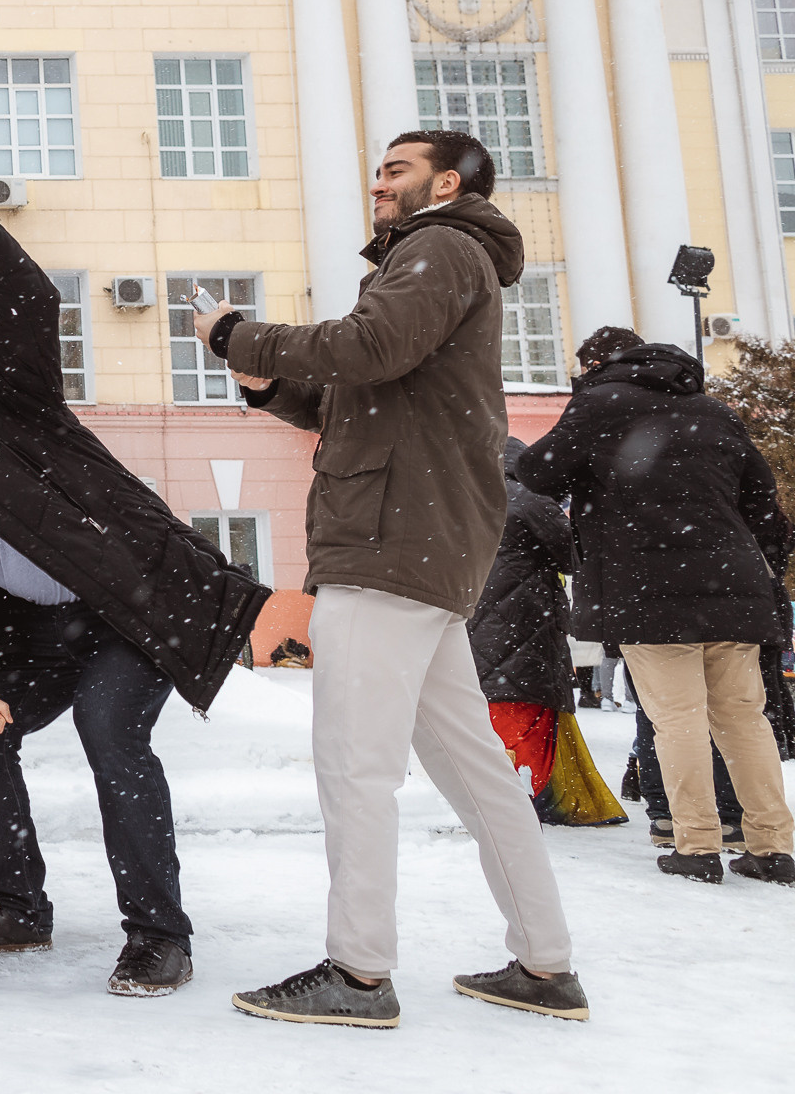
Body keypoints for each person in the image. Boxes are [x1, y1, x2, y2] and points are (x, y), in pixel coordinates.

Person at [0, 129, 267, 998]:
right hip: (41, 633)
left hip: (126, 605)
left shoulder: (3, 407)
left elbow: (30, 306)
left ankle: (158, 934)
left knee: (111, 731)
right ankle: (14, 906)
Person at [204, 130, 587, 1026]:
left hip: (390, 540)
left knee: (355, 764)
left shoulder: (441, 245)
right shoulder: (434, 260)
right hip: (417, 542)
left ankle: (359, 972)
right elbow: (357, 394)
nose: (378, 183)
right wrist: (267, 386)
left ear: (446, 183)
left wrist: (235, 332)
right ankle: (546, 964)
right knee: (475, 774)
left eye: (396, 170)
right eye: (377, 170)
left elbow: (368, 348)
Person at [517, 328, 794, 888]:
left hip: (648, 587)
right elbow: (764, 506)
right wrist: (760, 574)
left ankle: (697, 847)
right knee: (744, 719)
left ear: (601, 367)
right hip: (733, 584)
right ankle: (773, 846)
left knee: (677, 719)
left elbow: (536, 472)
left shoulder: (599, 403)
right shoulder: (714, 411)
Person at [468, 440, 622, 827]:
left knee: (490, 713)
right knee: (526, 711)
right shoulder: (532, 499)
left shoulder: (462, 496)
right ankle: (521, 802)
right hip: (526, 625)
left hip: (471, 624)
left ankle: (489, 799)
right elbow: (571, 557)